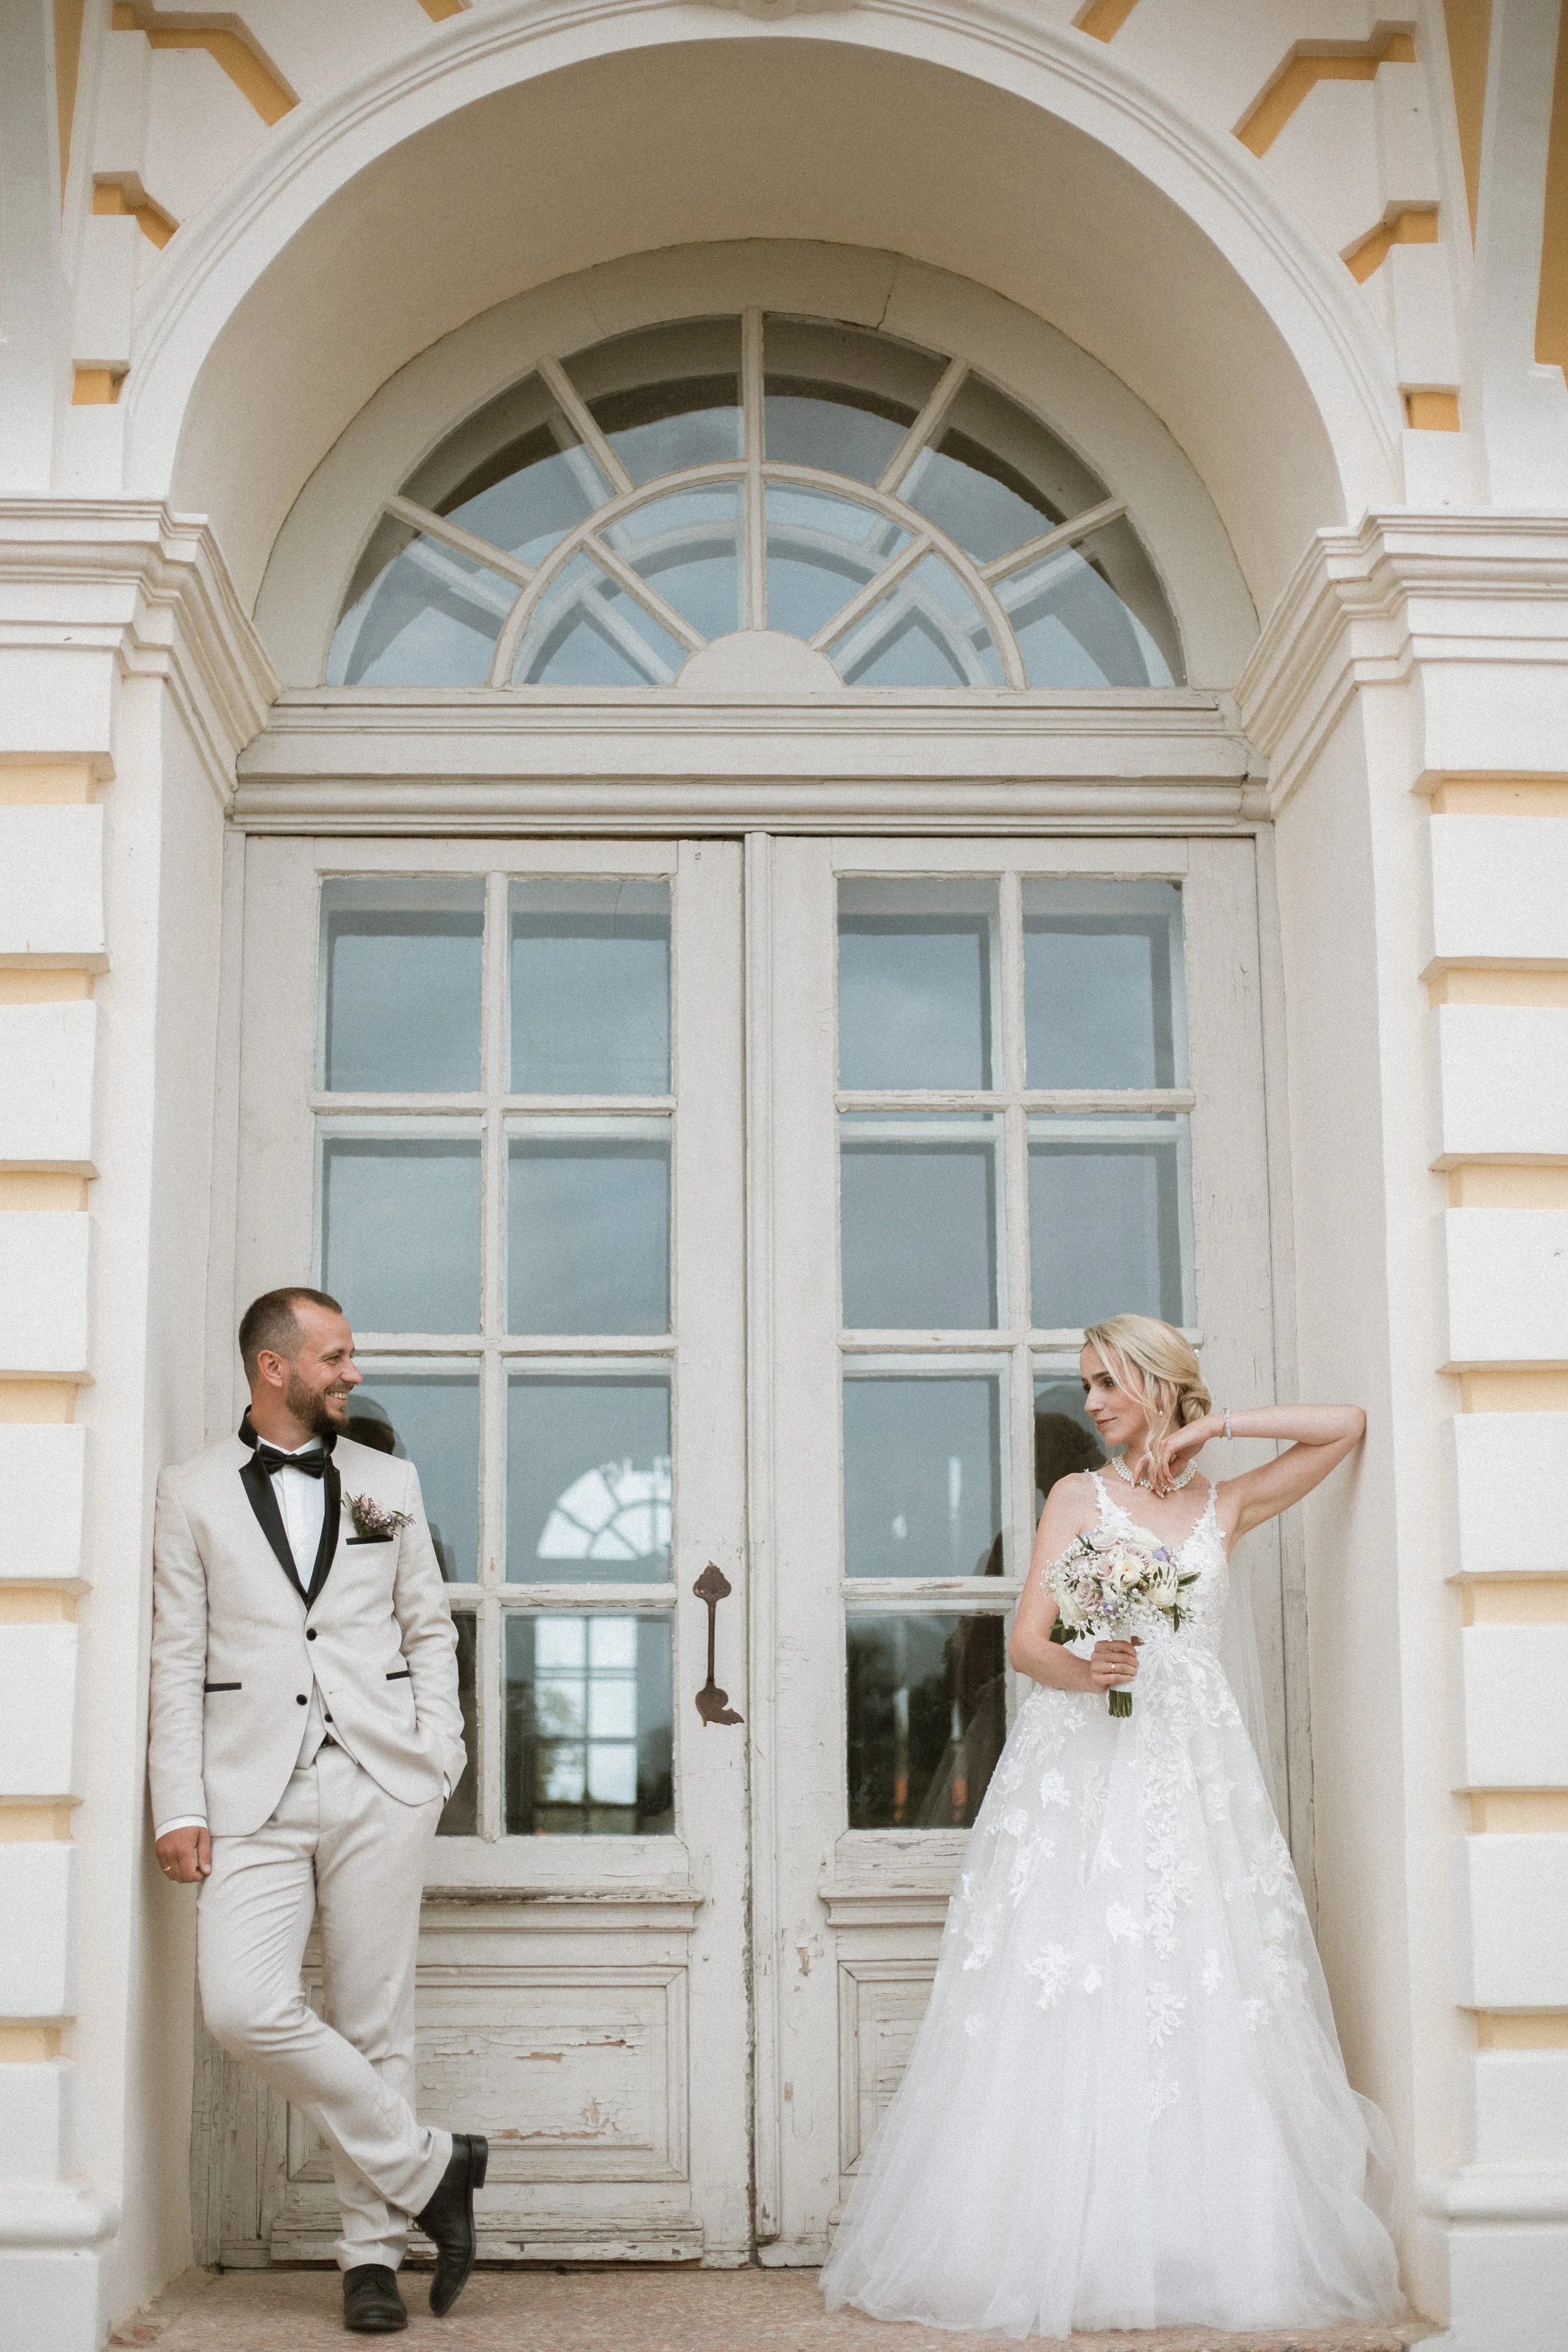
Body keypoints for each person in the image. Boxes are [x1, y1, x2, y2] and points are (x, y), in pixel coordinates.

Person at [820, 1313, 1404, 2336]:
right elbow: (1027, 1642)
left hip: (1194, 1772)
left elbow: (1345, 1428)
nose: (1089, 1402)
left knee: (1197, 1980)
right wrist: (1090, 1667)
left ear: (1157, 1383)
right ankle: (1058, 2244)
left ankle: (1191, 2238)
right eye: (1085, 1383)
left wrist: (1217, 1428)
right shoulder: (1079, 1497)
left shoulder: (1225, 1503)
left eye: (1106, 1382)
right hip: (1090, 1765)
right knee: (1079, 1977)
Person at [149, 1288, 486, 2336]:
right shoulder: (192, 1490)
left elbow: (430, 1627)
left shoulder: (389, 1482)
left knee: (373, 2018)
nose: (352, 1371)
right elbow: (177, 1655)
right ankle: (436, 2166)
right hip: (249, 1789)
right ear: (273, 1368)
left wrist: (440, 1754)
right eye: (334, 1356)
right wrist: (177, 1802)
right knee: (242, 2006)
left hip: (381, 1778)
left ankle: (369, 2258)